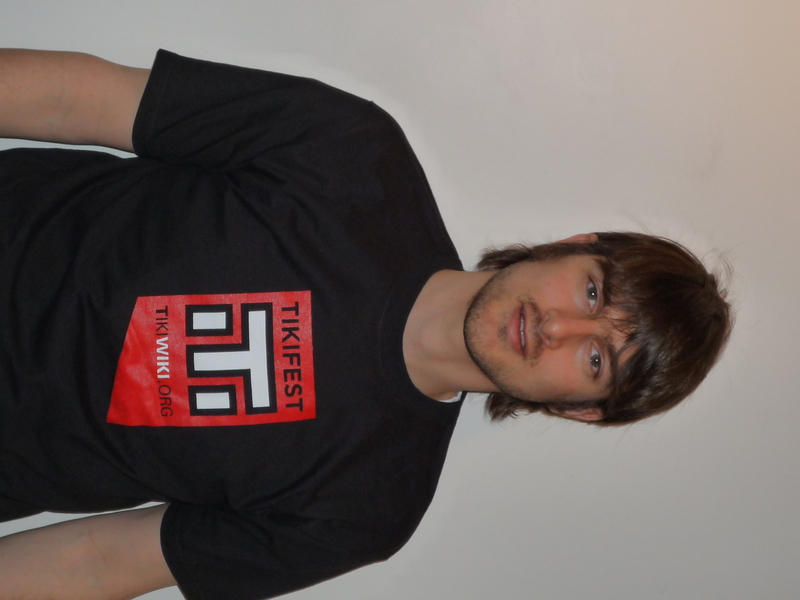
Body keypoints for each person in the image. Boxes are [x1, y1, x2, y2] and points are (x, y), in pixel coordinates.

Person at [0, 49, 732, 600]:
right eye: (592, 292)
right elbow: (81, 101)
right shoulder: (354, 154)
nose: (558, 328)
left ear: (580, 410)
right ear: (574, 246)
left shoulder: (367, 510)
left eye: (597, 360)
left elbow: (99, 560)